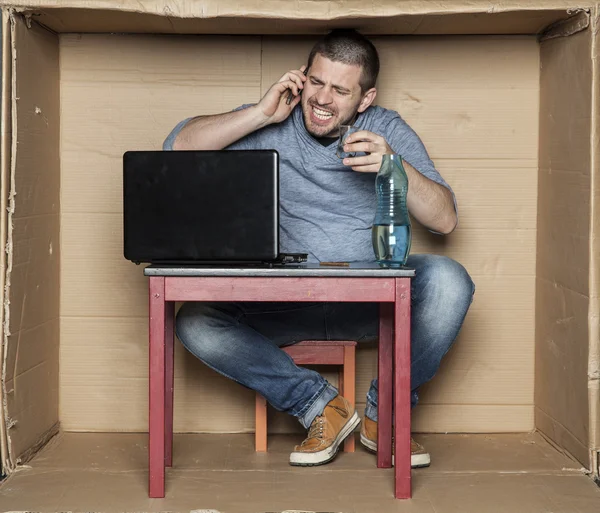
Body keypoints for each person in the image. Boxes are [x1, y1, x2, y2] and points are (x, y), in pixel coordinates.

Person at [163, 29, 475, 469]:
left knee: (449, 280)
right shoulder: (272, 119)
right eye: (316, 81)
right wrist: (257, 115)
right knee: (194, 320)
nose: (322, 99)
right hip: (282, 300)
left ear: (365, 99)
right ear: (302, 77)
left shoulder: (385, 128)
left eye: (340, 90)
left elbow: (444, 220)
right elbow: (176, 148)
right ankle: (320, 406)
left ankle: (383, 416)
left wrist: (395, 166)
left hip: (369, 300)